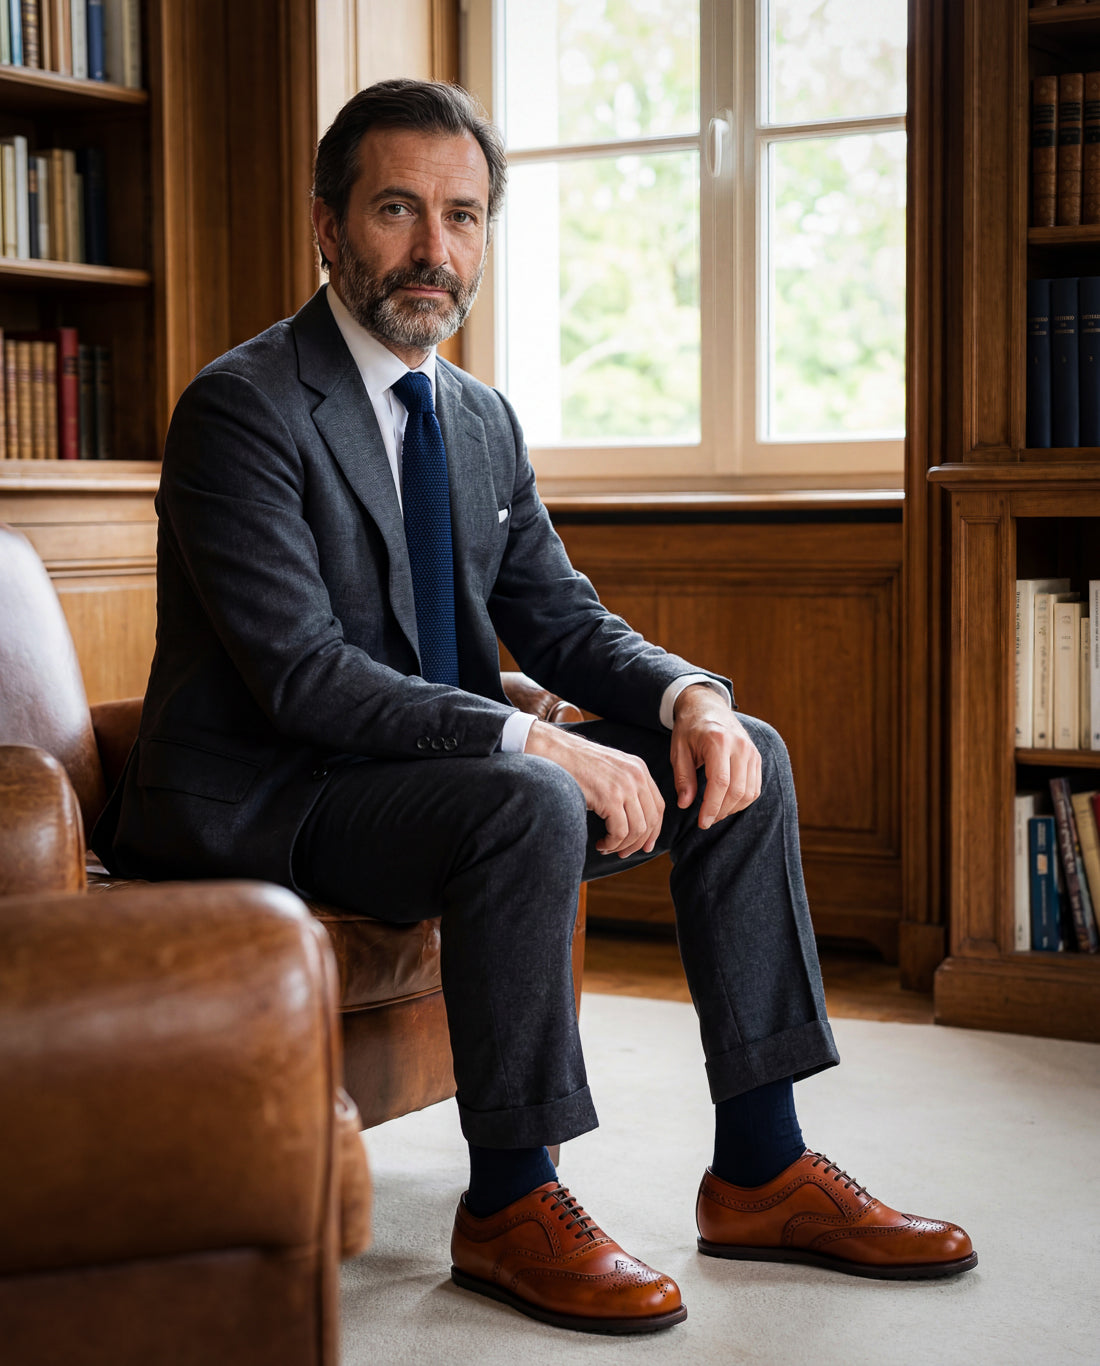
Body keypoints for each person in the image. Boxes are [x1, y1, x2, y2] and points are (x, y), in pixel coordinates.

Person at [93, 79, 975, 1335]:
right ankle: (510, 1199)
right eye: (397, 209)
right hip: (265, 795)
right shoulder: (242, 407)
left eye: (461, 216)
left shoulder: (477, 417)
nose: (431, 249)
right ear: (326, 227)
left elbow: (558, 617)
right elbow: (302, 675)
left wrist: (689, 697)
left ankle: (761, 1168)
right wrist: (535, 738)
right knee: (520, 797)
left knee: (745, 757)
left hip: (407, 780)